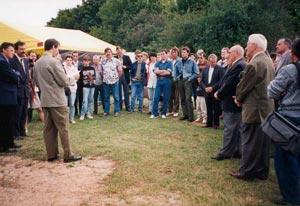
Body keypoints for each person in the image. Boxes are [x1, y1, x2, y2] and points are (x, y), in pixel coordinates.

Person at [230, 34, 274, 180]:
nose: (245, 47)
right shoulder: (268, 61)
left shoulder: (254, 63)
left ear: (255, 45)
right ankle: (261, 171)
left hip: (254, 110)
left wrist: (239, 99)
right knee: (262, 143)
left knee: (249, 141)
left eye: (248, 44)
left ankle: (246, 172)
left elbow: (244, 86)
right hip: (266, 109)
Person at [33, 38, 82, 163]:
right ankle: (68, 154)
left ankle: (52, 154)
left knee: (48, 128)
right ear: (54, 47)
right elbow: (64, 81)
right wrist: (74, 78)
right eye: (57, 48)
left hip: (45, 99)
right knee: (63, 128)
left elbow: (36, 80)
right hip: (57, 100)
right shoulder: (53, 62)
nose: (58, 51)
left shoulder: (37, 63)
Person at [268, 38, 300, 205]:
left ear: (292, 52)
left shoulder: (289, 70)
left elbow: (272, 91)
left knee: (286, 160)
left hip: (289, 119)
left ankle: (291, 197)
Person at [211, 45, 246, 161]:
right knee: (236, 128)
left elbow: (230, 83)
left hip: (231, 102)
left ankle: (226, 152)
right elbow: (224, 81)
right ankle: (237, 150)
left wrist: (219, 94)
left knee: (230, 128)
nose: (228, 55)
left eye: (230, 52)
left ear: (236, 53)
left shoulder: (239, 65)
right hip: (231, 101)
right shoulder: (235, 64)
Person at [0, 42, 21, 153]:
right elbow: (14, 76)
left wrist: (15, 74)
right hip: (5, 96)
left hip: (8, 95)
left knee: (9, 120)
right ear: (4, 50)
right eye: (11, 50)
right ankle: (6, 145)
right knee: (6, 121)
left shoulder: (6, 61)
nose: (13, 52)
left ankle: (9, 142)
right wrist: (16, 75)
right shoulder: (2, 62)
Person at [9, 41, 30, 140]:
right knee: (16, 113)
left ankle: (22, 131)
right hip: (17, 90)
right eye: (21, 49)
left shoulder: (25, 61)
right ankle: (16, 133)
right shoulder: (11, 60)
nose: (23, 51)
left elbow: (27, 76)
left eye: (24, 49)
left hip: (26, 90)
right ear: (16, 49)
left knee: (24, 113)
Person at [200, 54, 224, 129]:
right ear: (209, 61)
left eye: (214, 62)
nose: (213, 63)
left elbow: (221, 81)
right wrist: (205, 88)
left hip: (215, 92)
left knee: (216, 108)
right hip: (206, 91)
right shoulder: (205, 69)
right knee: (208, 108)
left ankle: (216, 124)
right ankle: (209, 123)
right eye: (211, 62)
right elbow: (201, 81)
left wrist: (212, 88)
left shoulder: (220, 69)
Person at [177, 46, 199, 122]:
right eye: (182, 52)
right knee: (182, 99)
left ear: (188, 53)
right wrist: (177, 77)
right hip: (181, 80)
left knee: (188, 98)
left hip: (188, 80)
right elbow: (176, 70)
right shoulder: (179, 62)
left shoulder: (192, 62)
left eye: (184, 52)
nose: (182, 54)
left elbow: (196, 73)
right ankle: (185, 115)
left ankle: (191, 116)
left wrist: (190, 79)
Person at [150, 49, 172, 119]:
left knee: (165, 98)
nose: (162, 55)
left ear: (166, 54)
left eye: (163, 54)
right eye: (161, 54)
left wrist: (159, 71)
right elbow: (155, 72)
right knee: (156, 97)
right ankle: (154, 113)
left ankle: (163, 113)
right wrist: (163, 71)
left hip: (167, 81)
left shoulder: (169, 63)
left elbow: (168, 73)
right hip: (159, 81)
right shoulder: (158, 63)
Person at [100, 47, 122, 117]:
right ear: (105, 54)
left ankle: (117, 111)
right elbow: (101, 72)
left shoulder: (117, 61)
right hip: (105, 82)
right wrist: (104, 77)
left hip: (114, 81)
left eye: (109, 52)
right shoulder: (102, 62)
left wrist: (117, 78)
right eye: (106, 52)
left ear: (112, 53)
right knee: (106, 97)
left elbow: (120, 71)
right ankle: (106, 111)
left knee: (116, 96)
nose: (108, 53)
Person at [115, 46, 132, 112]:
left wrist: (125, 67)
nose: (119, 53)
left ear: (122, 51)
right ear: (116, 52)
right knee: (118, 91)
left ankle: (127, 107)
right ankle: (120, 107)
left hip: (125, 75)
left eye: (120, 52)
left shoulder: (126, 57)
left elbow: (131, 66)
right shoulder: (114, 58)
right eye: (118, 52)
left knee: (126, 92)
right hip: (118, 75)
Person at [79, 55, 95, 120]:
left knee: (90, 100)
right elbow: (80, 79)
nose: (86, 62)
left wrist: (92, 80)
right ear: (83, 61)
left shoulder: (92, 68)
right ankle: (82, 114)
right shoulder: (81, 69)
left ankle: (88, 113)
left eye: (88, 61)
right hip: (85, 87)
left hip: (92, 86)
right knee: (85, 100)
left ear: (90, 61)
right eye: (85, 61)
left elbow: (94, 77)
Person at [64, 55, 79, 123]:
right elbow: (64, 78)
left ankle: (72, 118)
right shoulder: (63, 68)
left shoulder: (74, 68)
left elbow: (77, 77)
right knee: (65, 104)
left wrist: (70, 78)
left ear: (72, 61)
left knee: (72, 104)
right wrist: (72, 77)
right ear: (65, 60)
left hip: (73, 88)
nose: (69, 62)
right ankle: (65, 119)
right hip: (65, 88)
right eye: (68, 60)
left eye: (70, 60)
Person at [167, 47, 181, 117]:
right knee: (170, 95)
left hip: (177, 80)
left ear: (177, 53)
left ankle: (175, 110)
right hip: (170, 78)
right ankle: (170, 110)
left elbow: (182, 71)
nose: (174, 54)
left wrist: (178, 77)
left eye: (175, 52)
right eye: (173, 52)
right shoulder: (170, 61)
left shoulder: (180, 60)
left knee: (176, 95)